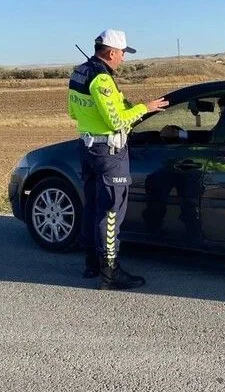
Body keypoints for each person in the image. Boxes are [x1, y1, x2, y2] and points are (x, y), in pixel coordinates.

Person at [67, 29, 168, 290]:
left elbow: (72, 113)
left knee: (92, 206)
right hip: (109, 153)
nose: (123, 58)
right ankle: (110, 271)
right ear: (111, 52)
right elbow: (116, 121)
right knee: (112, 211)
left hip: (87, 148)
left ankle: (91, 263)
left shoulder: (79, 71)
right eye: (123, 53)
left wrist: (118, 105)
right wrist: (145, 108)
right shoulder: (102, 80)